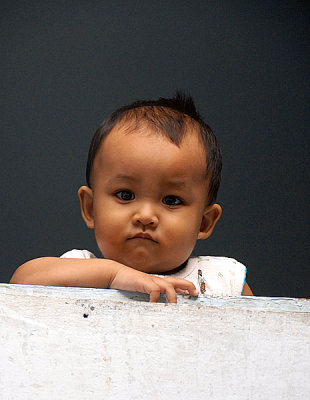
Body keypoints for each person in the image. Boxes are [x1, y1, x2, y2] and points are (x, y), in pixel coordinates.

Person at [10, 92, 253, 302]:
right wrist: (112, 275)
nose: (146, 216)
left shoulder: (223, 279)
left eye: (171, 200)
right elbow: (21, 282)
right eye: (125, 195)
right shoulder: (82, 269)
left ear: (204, 222)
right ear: (90, 208)